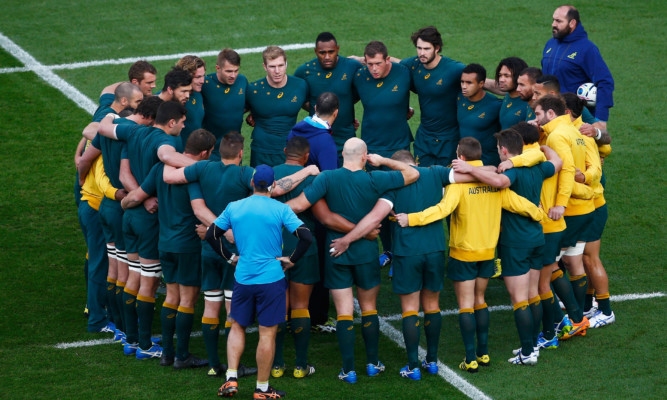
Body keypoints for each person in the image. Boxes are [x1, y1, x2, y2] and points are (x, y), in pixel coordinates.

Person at [161, 132, 319, 377]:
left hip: (209, 249)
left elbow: (169, 176)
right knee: (232, 312)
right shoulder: (245, 174)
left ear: (217, 151)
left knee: (210, 306)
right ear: (241, 154)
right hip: (237, 255)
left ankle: (214, 365)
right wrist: (307, 172)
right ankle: (234, 365)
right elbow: (274, 190)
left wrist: (169, 156)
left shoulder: (202, 168)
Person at [396, 137, 545, 373]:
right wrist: (539, 215)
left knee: (465, 305)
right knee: (480, 301)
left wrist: (411, 218)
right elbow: (519, 203)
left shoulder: (458, 186)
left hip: (463, 253)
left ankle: (470, 358)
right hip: (487, 253)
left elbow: (441, 210)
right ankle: (483, 354)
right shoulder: (495, 184)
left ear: (461, 157)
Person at [286, 137, 420, 383]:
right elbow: (412, 173)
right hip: (367, 253)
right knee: (369, 308)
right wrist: (383, 161)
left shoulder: (326, 178)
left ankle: (348, 370)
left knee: (344, 312)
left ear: (342, 155)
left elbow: (298, 205)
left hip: (336, 252)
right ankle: (372, 364)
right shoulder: (374, 178)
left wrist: (266, 209)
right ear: (364, 156)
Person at [328, 150, 467, 379]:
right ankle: (431, 362)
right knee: (432, 305)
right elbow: (471, 176)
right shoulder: (435, 174)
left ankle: (412, 366)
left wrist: (348, 239)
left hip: (407, 253)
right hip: (435, 250)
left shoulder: (393, 186)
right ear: (415, 162)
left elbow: (374, 218)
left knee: (410, 309)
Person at [452, 130, 562, 365]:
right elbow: (558, 161)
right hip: (536, 238)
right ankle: (533, 346)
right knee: (532, 294)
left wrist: (471, 169)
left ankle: (527, 351)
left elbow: (500, 182)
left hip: (515, 242)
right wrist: (542, 149)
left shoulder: (511, 172)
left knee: (519, 299)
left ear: (503, 150)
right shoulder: (537, 168)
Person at [96, 101, 197, 359]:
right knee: (148, 282)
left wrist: (138, 196)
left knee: (132, 277)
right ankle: (144, 345)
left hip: (129, 215)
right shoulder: (167, 142)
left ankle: (129, 340)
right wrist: (204, 167)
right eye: (182, 122)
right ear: (171, 122)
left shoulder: (134, 131)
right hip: (148, 221)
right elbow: (165, 156)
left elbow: (107, 139)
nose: (184, 126)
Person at [208, 165, 314, 400]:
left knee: (237, 325)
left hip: (243, 277)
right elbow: (306, 236)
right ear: (273, 185)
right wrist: (291, 260)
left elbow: (211, 235)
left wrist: (230, 257)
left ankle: (231, 379)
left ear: (252, 183)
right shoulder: (280, 209)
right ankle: (262, 389)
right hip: (271, 279)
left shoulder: (234, 207)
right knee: (267, 334)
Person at [121, 129, 216, 369]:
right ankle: (182, 355)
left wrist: (122, 201)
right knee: (187, 299)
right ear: (205, 153)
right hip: (187, 246)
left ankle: (167, 353)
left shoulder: (159, 170)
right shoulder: (194, 176)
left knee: (171, 297)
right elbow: (199, 210)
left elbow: (138, 196)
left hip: (164, 244)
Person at [77, 93, 160, 342]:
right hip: (123, 204)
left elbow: (85, 158)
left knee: (114, 268)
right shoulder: (132, 135)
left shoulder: (111, 128)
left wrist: (81, 180)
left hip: (106, 205)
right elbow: (126, 174)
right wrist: (141, 197)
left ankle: (116, 323)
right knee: (127, 271)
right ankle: (128, 330)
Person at [531, 95, 594, 339]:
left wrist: (559, 204)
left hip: (565, 210)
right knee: (564, 262)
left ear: (550, 114)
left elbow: (566, 170)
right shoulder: (573, 131)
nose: (535, 119)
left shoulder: (557, 136)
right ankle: (576, 317)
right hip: (582, 206)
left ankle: (568, 321)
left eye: (538, 115)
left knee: (548, 267)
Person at [561, 93, 615, 327]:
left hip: (592, 204)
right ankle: (588, 305)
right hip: (587, 204)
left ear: (566, 112)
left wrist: (583, 176)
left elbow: (605, 150)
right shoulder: (574, 130)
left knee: (590, 259)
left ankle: (606, 311)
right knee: (582, 257)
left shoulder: (581, 132)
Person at [271, 137, 319, 379]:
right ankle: (301, 366)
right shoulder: (313, 177)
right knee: (301, 306)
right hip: (303, 246)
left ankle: (277, 364)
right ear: (307, 156)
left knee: (279, 306)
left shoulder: (268, 175)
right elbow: (321, 214)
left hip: (273, 247)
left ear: (284, 151)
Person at [78, 142, 128, 334]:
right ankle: (97, 319)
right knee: (99, 264)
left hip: (90, 206)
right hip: (95, 209)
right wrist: (116, 194)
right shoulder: (104, 151)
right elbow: (101, 179)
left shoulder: (98, 143)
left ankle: (97, 309)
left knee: (96, 260)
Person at [399, 26, 465, 167]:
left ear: (437, 48)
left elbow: (478, 80)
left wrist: (508, 88)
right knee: (423, 179)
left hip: (449, 139)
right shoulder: (413, 64)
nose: (422, 53)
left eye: (426, 49)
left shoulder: (454, 69)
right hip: (424, 138)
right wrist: (362, 59)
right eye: (419, 48)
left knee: (447, 182)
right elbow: (391, 62)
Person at [295, 32, 362, 162]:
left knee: (346, 179)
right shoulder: (304, 71)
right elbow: (299, 99)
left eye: (331, 52)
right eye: (322, 52)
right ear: (315, 51)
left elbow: (362, 91)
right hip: (317, 139)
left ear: (337, 49)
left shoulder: (352, 66)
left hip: (346, 139)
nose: (327, 56)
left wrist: (346, 105)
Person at [542, 5, 614, 122]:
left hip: (576, 118)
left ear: (572, 23)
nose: (553, 24)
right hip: (550, 115)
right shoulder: (550, 44)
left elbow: (605, 82)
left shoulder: (587, 49)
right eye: (553, 20)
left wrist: (601, 119)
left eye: (559, 21)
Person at [245, 46, 308, 167]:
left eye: (281, 65)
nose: (277, 71)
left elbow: (315, 108)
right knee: (261, 186)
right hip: (261, 152)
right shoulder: (254, 90)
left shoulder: (300, 85)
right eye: (272, 66)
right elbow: (233, 111)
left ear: (286, 64)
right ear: (265, 67)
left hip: (290, 152)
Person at [353, 41, 413, 161]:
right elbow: (346, 99)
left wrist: (407, 109)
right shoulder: (360, 76)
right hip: (371, 145)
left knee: (401, 179)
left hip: (399, 145)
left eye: (378, 63)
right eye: (370, 64)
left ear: (387, 59)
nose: (374, 69)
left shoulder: (403, 72)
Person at [201, 49, 247, 162]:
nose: (233, 75)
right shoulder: (205, 84)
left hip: (235, 149)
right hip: (212, 151)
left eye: (236, 71)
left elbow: (249, 102)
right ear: (218, 68)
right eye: (229, 71)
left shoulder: (242, 81)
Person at [457, 64, 502, 166]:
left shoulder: (496, 105)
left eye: (469, 83)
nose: (464, 86)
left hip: (487, 164)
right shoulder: (460, 98)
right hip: (464, 162)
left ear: (481, 84)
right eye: (462, 82)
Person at [287, 92, 338, 171]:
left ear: (315, 108)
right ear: (336, 113)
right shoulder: (326, 141)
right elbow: (330, 178)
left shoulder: (293, 132)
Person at [495, 57, 534, 129]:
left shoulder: (530, 102)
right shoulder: (508, 95)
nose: (501, 80)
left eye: (506, 76)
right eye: (500, 75)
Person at [176, 55, 206, 148]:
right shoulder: (174, 97)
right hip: (180, 155)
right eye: (198, 77)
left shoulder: (198, 92)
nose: (202, 81)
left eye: (203, 76)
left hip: (196, 153)